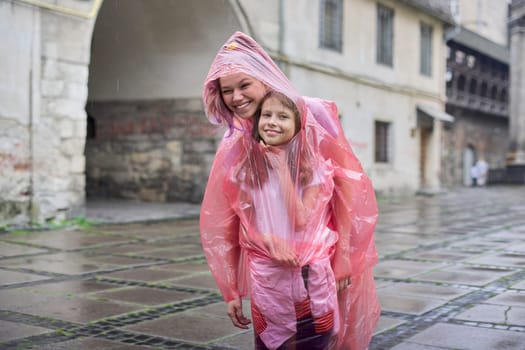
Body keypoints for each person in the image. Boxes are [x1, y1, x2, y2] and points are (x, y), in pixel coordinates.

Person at [200, 31, 379, 350]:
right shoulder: (235, 144)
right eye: (227, 91)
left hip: (318, 268)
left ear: (264, 79)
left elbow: (346, 187)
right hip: (269, 275)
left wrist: (345, 257)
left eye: (244, 85)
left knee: (320, 338)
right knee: (274, 342)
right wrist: (230, 288)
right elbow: (225, 220)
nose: (236, 97)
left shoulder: (312, 115)